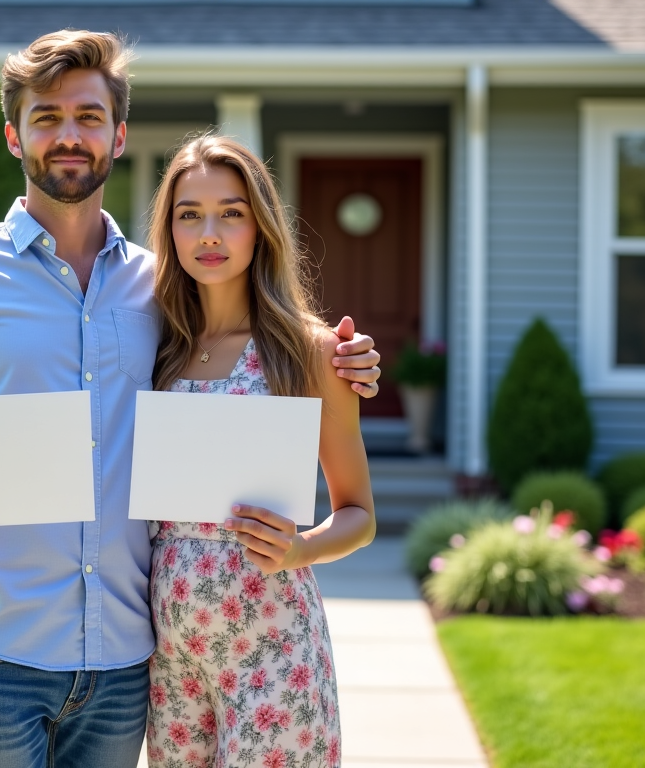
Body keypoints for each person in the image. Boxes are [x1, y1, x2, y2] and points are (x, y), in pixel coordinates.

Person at [0, 30, 381, 768]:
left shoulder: (163, 292)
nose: (69, 135)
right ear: (13, 134)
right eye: (47, 117)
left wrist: (342, 358)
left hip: (131, 666)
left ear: (119, 135)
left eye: (89, 117)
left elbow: (256, 332)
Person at [143, 135, 374, 768]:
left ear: (260, 228)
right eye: (189, 214)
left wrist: (301, 548)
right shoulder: (156, 346)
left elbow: (360, 514)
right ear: (170, 230)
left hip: (273, 657)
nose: (209, 233)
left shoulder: (310, 352)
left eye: (231, 212)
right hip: (173, 661)